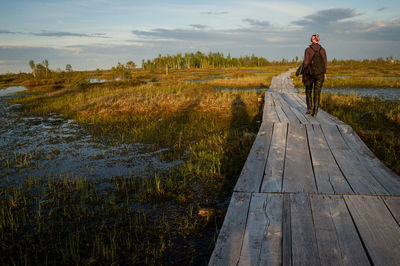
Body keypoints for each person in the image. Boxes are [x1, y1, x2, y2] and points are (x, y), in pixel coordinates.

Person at [302, 34, 327, 117]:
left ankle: (309, 108)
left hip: (310, 74)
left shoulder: (308, 50)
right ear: (318, 40)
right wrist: (325, 73)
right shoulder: (322, 50)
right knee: (317, 93)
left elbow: (305, 63)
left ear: (311, 40)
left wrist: (304, 71)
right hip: (320, 74)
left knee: (308, 91)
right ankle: (315, 112)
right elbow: (325, 63)